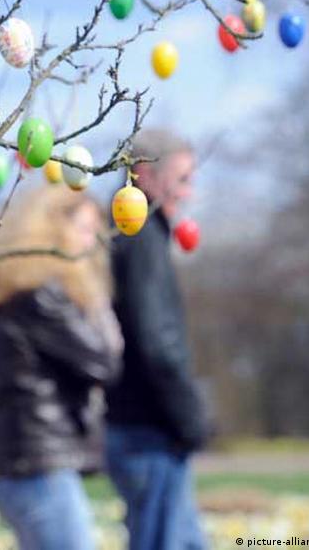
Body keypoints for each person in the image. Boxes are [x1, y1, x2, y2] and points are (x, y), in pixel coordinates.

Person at [0, 186, 123, 550]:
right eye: (85, 229)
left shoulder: (18, 296)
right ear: (53, 230)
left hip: (22, 466)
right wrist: (100, 304)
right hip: (40, 468)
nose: (93, 243)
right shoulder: (42, 297)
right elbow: (103, 361)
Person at [105, 129, 208, 550]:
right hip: (148, 433)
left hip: (137, 429)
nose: (189, 194)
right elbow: (157, 341)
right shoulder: (141, 238)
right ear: (144, 175)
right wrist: (190, 418)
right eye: (181, 180)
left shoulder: (126, 234)